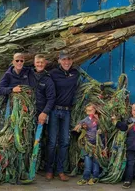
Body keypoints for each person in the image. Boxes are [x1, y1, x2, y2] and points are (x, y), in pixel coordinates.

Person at [46, 51, 80, 181]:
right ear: (59, 61)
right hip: (54, 110)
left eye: (69, 59)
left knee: (64, 142)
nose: (67, 62)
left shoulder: (75, 73)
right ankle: (49, 170)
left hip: (67, 112)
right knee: (52, 142)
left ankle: (60, 170)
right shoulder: (53, 74)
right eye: (64, 60)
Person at [74, 104, 101, 186]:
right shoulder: (84, 120)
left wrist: (100, 129)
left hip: (97, 145)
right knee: (87, 161)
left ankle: (95, 177)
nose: (90, 112)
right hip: (87, 145)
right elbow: (77, 128)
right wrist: (80, 127)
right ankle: (85, 178)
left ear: (95, 110)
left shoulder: (98, 119)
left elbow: (103, 128)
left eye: (91, 110)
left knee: (96, 162)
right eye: (88, 111)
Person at [32, 54, 55, 125]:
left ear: (45, 63)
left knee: (37, 135)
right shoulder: (28, 74)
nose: (40, 64)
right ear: (34, 63)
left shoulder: (48, 80)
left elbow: (51, 98)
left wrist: (44, 112)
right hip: (26, 112)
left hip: (40, 114)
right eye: (38, 62)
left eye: (42, 62)